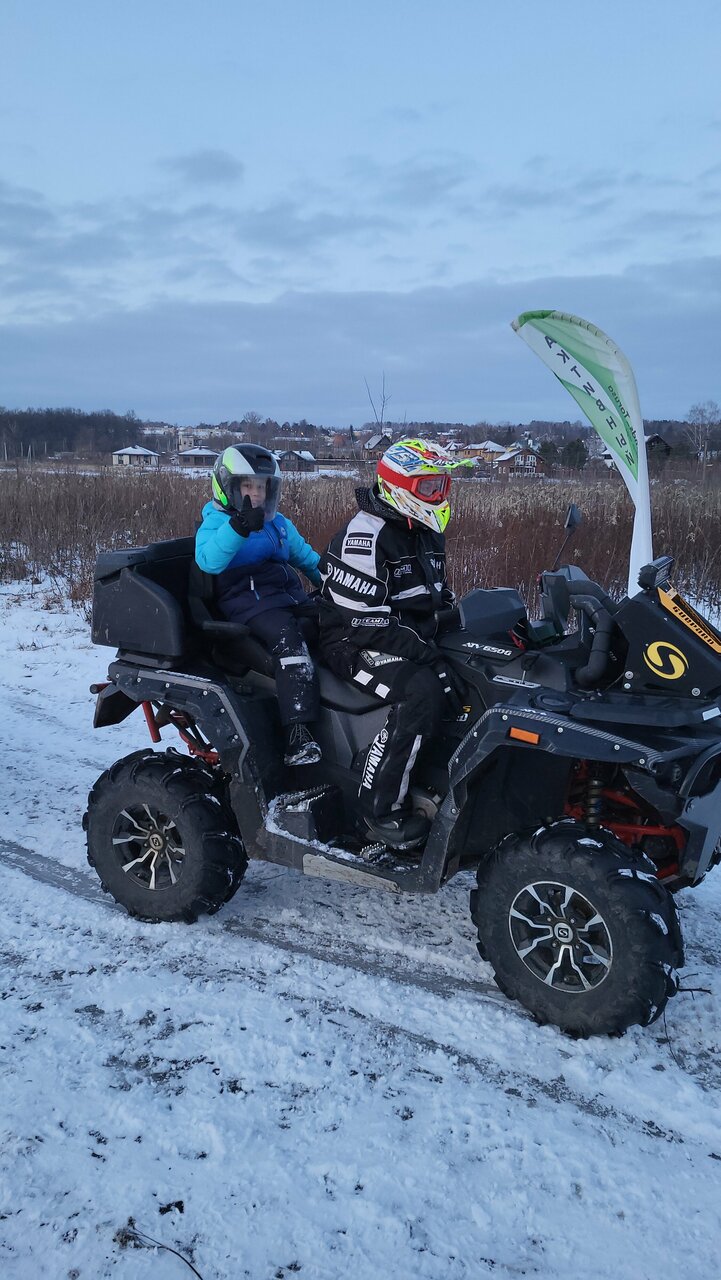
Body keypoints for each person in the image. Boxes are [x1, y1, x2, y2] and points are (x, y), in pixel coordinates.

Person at [318, 438, 469, 849]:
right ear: (397, 486)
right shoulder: (364, 536)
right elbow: (366, 623)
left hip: (407, 634)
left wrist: (456, 625)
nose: (437, 495)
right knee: (420, 692)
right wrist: (431, 657)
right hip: (350, 640)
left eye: (441, 486)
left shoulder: (426, 531)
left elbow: (435, 597)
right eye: (427, 487)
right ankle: (379, 810)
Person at [196, 443, 322, 767]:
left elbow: (307, 558)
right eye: (247, 486)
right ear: (227, 488)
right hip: (248, 604)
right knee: (290, 641)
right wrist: (238, 528)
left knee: (333, 619)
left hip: (287, 598)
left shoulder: (278, 524)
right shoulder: (215, 523)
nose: (256, 494)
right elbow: (208, 560)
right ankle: (298, 735)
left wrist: (333, 581)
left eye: (262, 487)